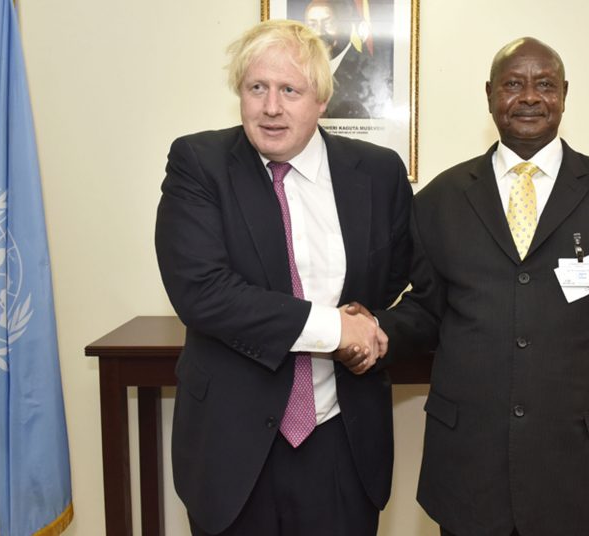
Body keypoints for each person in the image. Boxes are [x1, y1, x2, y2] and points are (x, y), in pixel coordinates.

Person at [344, 37, 589, 536]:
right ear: (489, 94)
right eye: (513, 84)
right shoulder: (440, 200)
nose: (529, 97)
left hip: (584, 473)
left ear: (565, 93)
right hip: (468, 471)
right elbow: (429, 312)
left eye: (545, 84)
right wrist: (375, 328)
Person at [155, 19, 412, 536]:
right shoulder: (198, 164)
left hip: (342, 441)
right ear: (240, 95)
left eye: (289, 90)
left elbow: (404, 281)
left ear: (320, 100)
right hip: (231, 448)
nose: (271, 107)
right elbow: (203, 293)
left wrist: (374, 331)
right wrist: (335, 329)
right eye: (257, 88)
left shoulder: (378, 173)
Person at [303, 0, 393, 119]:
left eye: (328, 23)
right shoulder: (297, 68)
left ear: (341, 25)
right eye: (312, 25)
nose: (320, 31)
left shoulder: (366, 68)